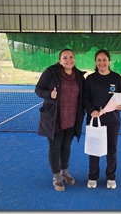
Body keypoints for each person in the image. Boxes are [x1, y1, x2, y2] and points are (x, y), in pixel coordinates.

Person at [35, 49, 86, 192]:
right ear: (59, 60)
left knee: (66, 146)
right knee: (55, 146)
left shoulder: (79, 76)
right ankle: (56, 175)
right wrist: (49, 94)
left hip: (72, 118)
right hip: (54, 117)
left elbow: (83, 96)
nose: (68, 60)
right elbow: (38, 89)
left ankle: (64, 171)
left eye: (71, 57)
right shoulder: (51, 72)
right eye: (65, 58)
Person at [83, 49, 121, 190]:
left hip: (113, 121)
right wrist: (91, 111)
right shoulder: (90, 79)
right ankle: (93, 177)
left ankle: (110, 177)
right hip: (94, 121)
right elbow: (84, 99)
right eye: (99, 60)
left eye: (104, 60)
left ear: (109, 61)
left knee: (111, 150)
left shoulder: (117, 78)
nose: (102, 63)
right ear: (96, 62)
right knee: (94, 150)